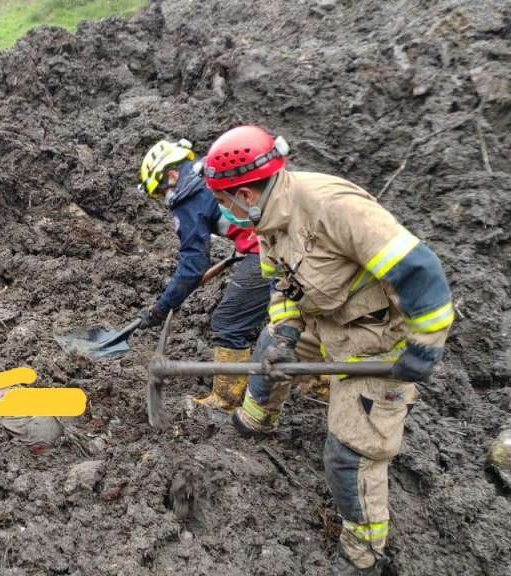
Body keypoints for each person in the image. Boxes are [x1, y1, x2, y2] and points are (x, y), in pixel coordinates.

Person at [202, 126, 454, 574]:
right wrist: (283, 331)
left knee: (350, 454)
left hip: (377, 338)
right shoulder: (268, 221)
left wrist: (423, 346)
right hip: (326, 319)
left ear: (244, 193)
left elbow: (420, 271)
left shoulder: (332, 208)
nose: (225, 212)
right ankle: (256, 421)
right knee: (268, 352)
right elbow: (282, 286)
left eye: (224, 202)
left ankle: (363, 556)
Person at [136, 139, 270, 412]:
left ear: (172, 174)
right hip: (282, 240)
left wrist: (163, 307)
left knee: (228, 321)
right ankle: (321, 384)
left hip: (266, 249)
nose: (164, 198)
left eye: (161, 190)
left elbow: (193, 265)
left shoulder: (187, 196)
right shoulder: (211, 169)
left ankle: (225, 402)